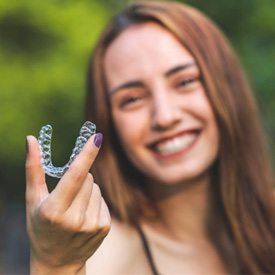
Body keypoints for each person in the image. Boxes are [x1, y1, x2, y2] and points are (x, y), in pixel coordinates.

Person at [25, 1, 275, 274]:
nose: (165, 116)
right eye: (132, 99)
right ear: (109, 123)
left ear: (227, 87)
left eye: (185, 81)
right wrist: (56, 265)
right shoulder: (101, 258)